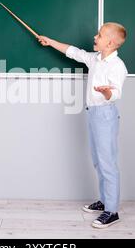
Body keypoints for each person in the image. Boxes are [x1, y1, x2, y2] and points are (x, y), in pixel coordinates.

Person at [37, 22, 128, 228]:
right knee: (98, 160)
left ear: (110, 43)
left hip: (105, 115)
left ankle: (112, 211)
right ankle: (105, 200)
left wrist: (107, 92)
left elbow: (116, 92)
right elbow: (73, 52)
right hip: (93, 113)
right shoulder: (95, 58)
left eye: (100, 35)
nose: (95, 37)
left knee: (108, 164)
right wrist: (50, 42)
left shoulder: (117, 66)